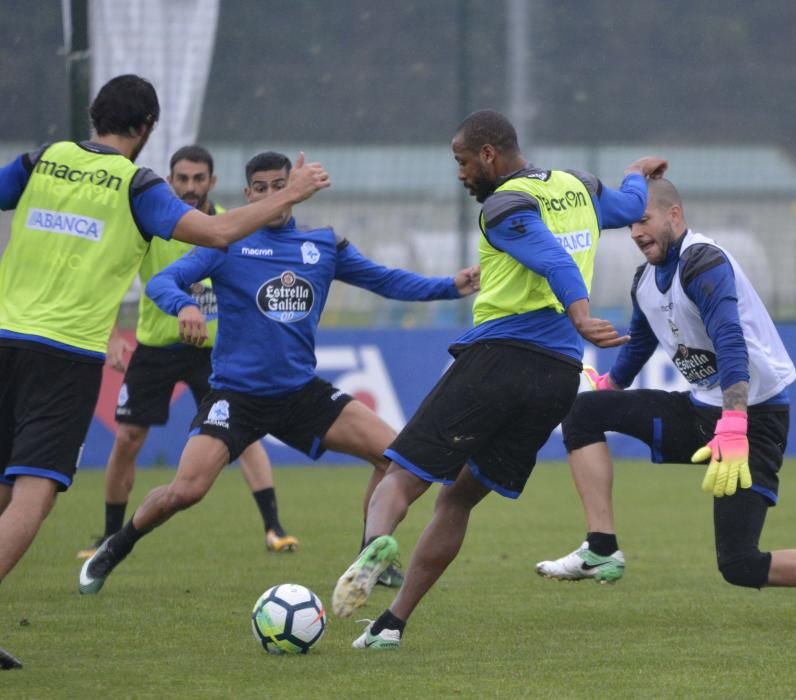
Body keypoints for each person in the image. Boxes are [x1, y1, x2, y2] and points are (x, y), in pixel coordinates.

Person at [0, 75, 328, 669]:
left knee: (4, 487)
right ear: (146, 128)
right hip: (64, 353)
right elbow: (221, 231)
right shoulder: (137, 185)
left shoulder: (41, 160)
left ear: (96, 115)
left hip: (4, 337)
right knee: (33, 493)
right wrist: (290, 194)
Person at [329, 108, 667, 650]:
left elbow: (553, 260)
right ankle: (391, 625)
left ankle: (375, 546)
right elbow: (631, 207)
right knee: (458, 500)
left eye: (462, 161)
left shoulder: (502, 205)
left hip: (499, 360)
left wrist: (580, 313)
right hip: (557, 378)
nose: (461, 173)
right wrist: (636, 171)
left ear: (488, 154)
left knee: (401, 472)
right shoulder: (576, 186)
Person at [78, 150, 479, 595]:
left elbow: (386, 281)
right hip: (236, 396)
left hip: (300, 394)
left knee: (395, 458)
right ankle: (116, 545)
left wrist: (450, 286)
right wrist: (186, 304)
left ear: (296, 190)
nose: (273, 195)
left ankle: (370, 558)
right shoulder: (225, 244)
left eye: (280, 185)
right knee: (186, 491)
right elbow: (161, 283)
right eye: (262, 188)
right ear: (248, 194)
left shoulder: (324, 246)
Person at [534, 178, 796, 630]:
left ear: (674, 214)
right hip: (700, 413)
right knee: (584, 412)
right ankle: (601, 548)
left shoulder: (704, 262)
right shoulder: (644, 279)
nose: (634, 232)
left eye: (643, 219)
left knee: (740, 565)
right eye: (630, 224)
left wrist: (734, 421)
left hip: (753, 419)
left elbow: (730, 341)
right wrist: (612, 385)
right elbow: (641, 343)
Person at [78, 145, 298, 561]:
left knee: (244, 436)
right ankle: (108, 535)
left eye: (199, 179)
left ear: (212, 183)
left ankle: (274, 527)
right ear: (170, 180)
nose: (191, 187)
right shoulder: (150, 222)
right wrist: (109, 334)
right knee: (127, 438)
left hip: (214, 354)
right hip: (156, 347)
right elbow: (106, 277)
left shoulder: (235, 226)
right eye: (182, 179)